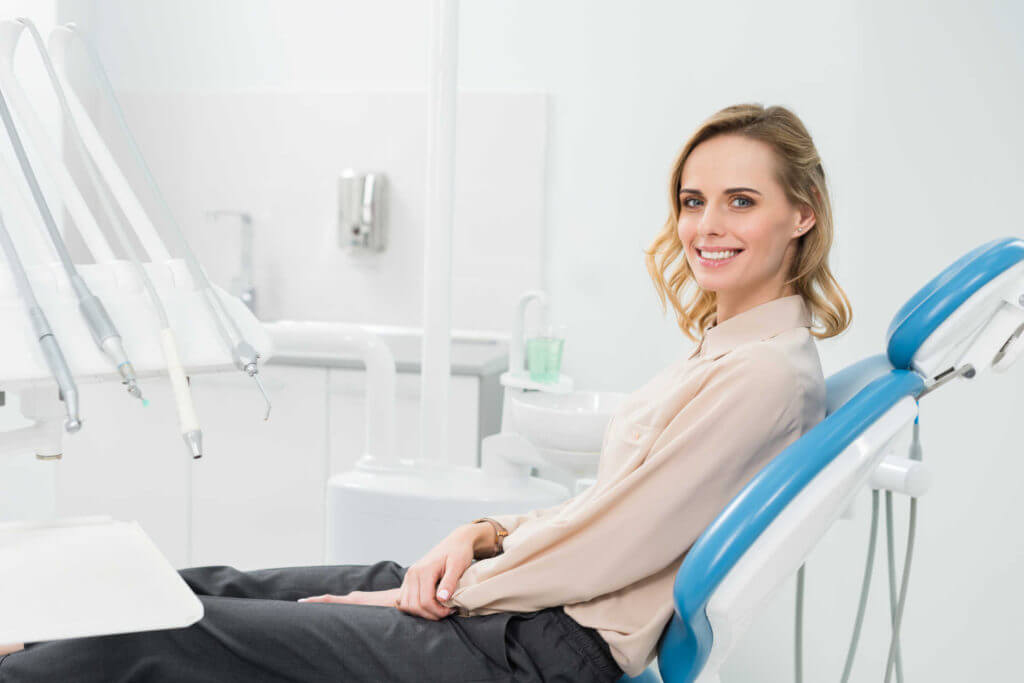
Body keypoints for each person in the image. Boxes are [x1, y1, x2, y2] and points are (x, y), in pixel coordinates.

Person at [0, 102, 851, 682]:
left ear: (802, 213)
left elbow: (609, 549)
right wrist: (481, 534)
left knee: (160, 633)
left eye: (741, 202)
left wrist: (423, 597)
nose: (707, 226)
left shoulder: (764, 376)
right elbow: (608, 512)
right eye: (694, 201)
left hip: (542, 643)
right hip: (521, 601)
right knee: (208, 584)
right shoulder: (724, 350)